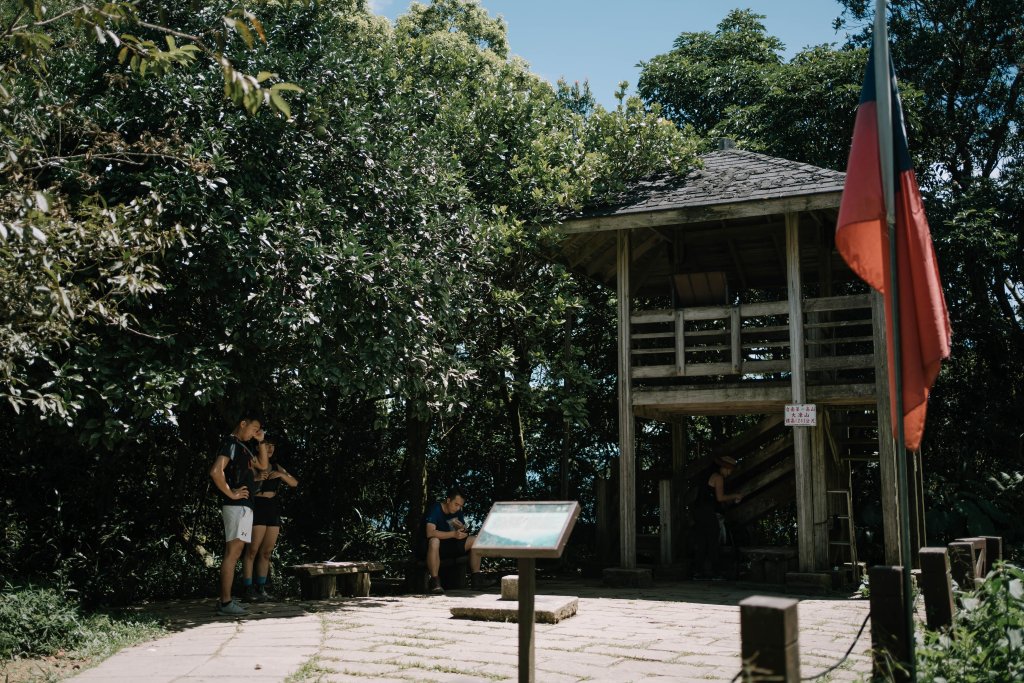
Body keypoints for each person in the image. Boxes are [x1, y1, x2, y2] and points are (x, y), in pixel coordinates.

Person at [208, 411, 269, 616]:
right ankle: (225, 603)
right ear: (243, 423)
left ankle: (226, 602)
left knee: (235, 552)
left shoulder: (244, 446)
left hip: (244, 505)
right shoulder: (231, 443)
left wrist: (261, 442)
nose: (255, 433)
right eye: (254, 429)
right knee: (233, 553)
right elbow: (216, 472)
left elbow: (263, 466)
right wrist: (231, 494)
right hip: (237, 505)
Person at [242, 435, 298, 602]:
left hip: (273, 508)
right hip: (257, 506)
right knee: (252, 550)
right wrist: (257, 479)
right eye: (267, 446)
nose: (270, 449)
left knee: (266, 552)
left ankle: (261, 589)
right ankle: (247, 589)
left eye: (272, 446)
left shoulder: (276, 466)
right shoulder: (252, 463)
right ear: (259, 448)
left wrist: (280, 475)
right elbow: (242, 483)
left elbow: (294, 483)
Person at [420, 488, 491, 594]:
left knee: (475, 540)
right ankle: (435, 581)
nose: (458, 508)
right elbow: (430, 533)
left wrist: (462, 528)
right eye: (456, 504)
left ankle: (476, 580)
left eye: (460, 506)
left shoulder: (458, 512)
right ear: (448, 500)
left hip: (450, 545)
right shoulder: (436, 509)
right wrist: (453, 534)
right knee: (434, 541)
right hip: (432, 549)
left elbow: (464, 534)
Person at [691, 455, 742, 580]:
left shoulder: (707, 476)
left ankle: (697, 572)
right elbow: (720, 498)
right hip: (707, 511)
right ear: (723, 468)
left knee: (702, 541)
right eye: (729, 470)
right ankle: (716, 572)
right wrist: (735, 495)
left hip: (698, 511)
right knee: (713, 540)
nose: (729, 473)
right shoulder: (718, 478)